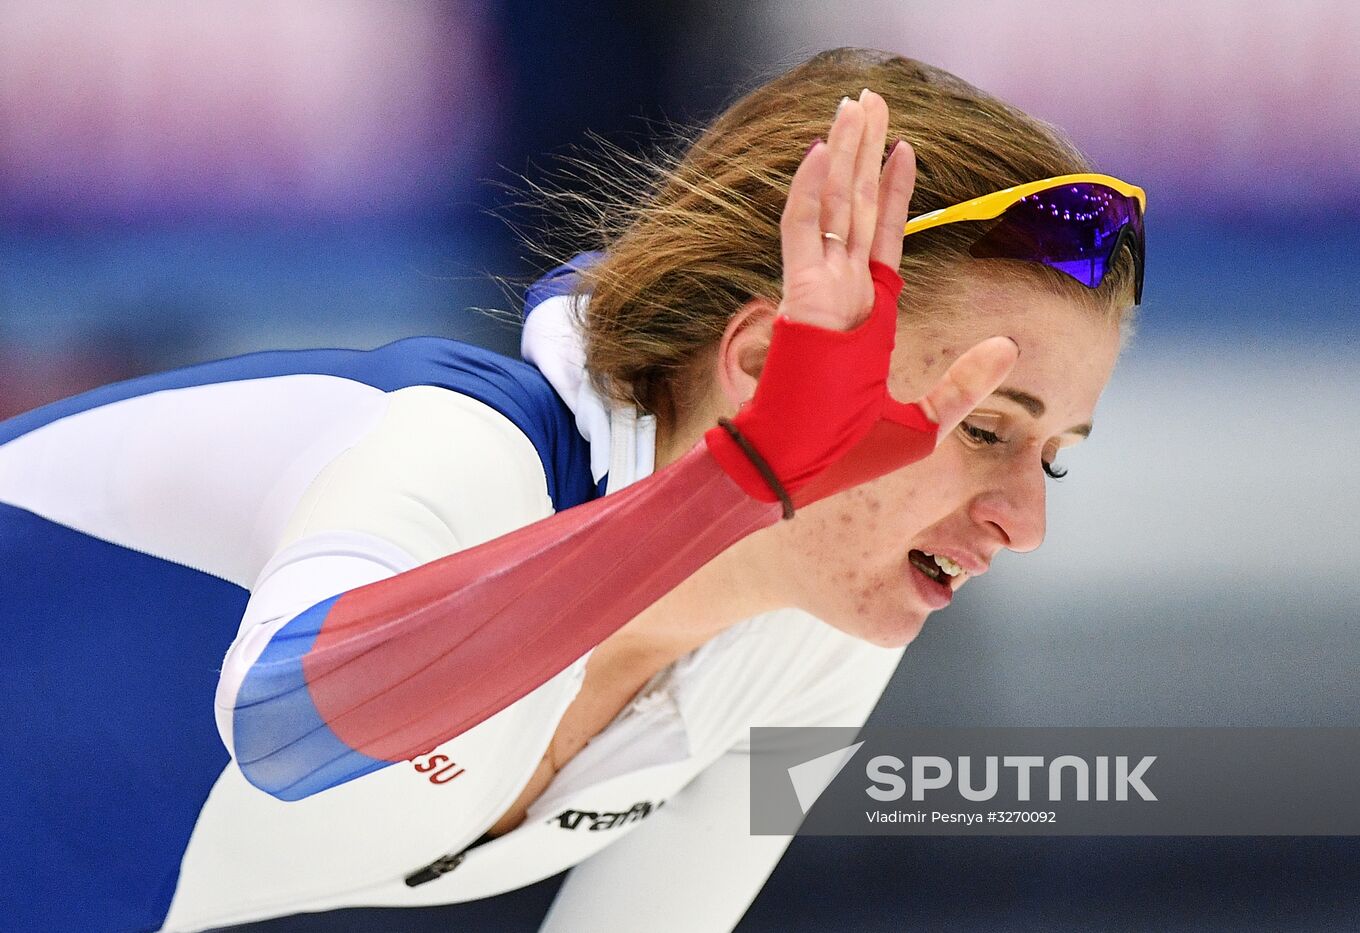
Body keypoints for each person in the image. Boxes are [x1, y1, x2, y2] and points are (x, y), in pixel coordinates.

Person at [0, 48, 1144, 932]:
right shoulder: (463, 452)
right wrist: (735, 484)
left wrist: (738, 499)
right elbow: (290, 728)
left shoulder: (815, 630)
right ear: (759, 365)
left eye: (1051, 455)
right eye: (983, 427)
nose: (1022, 521)